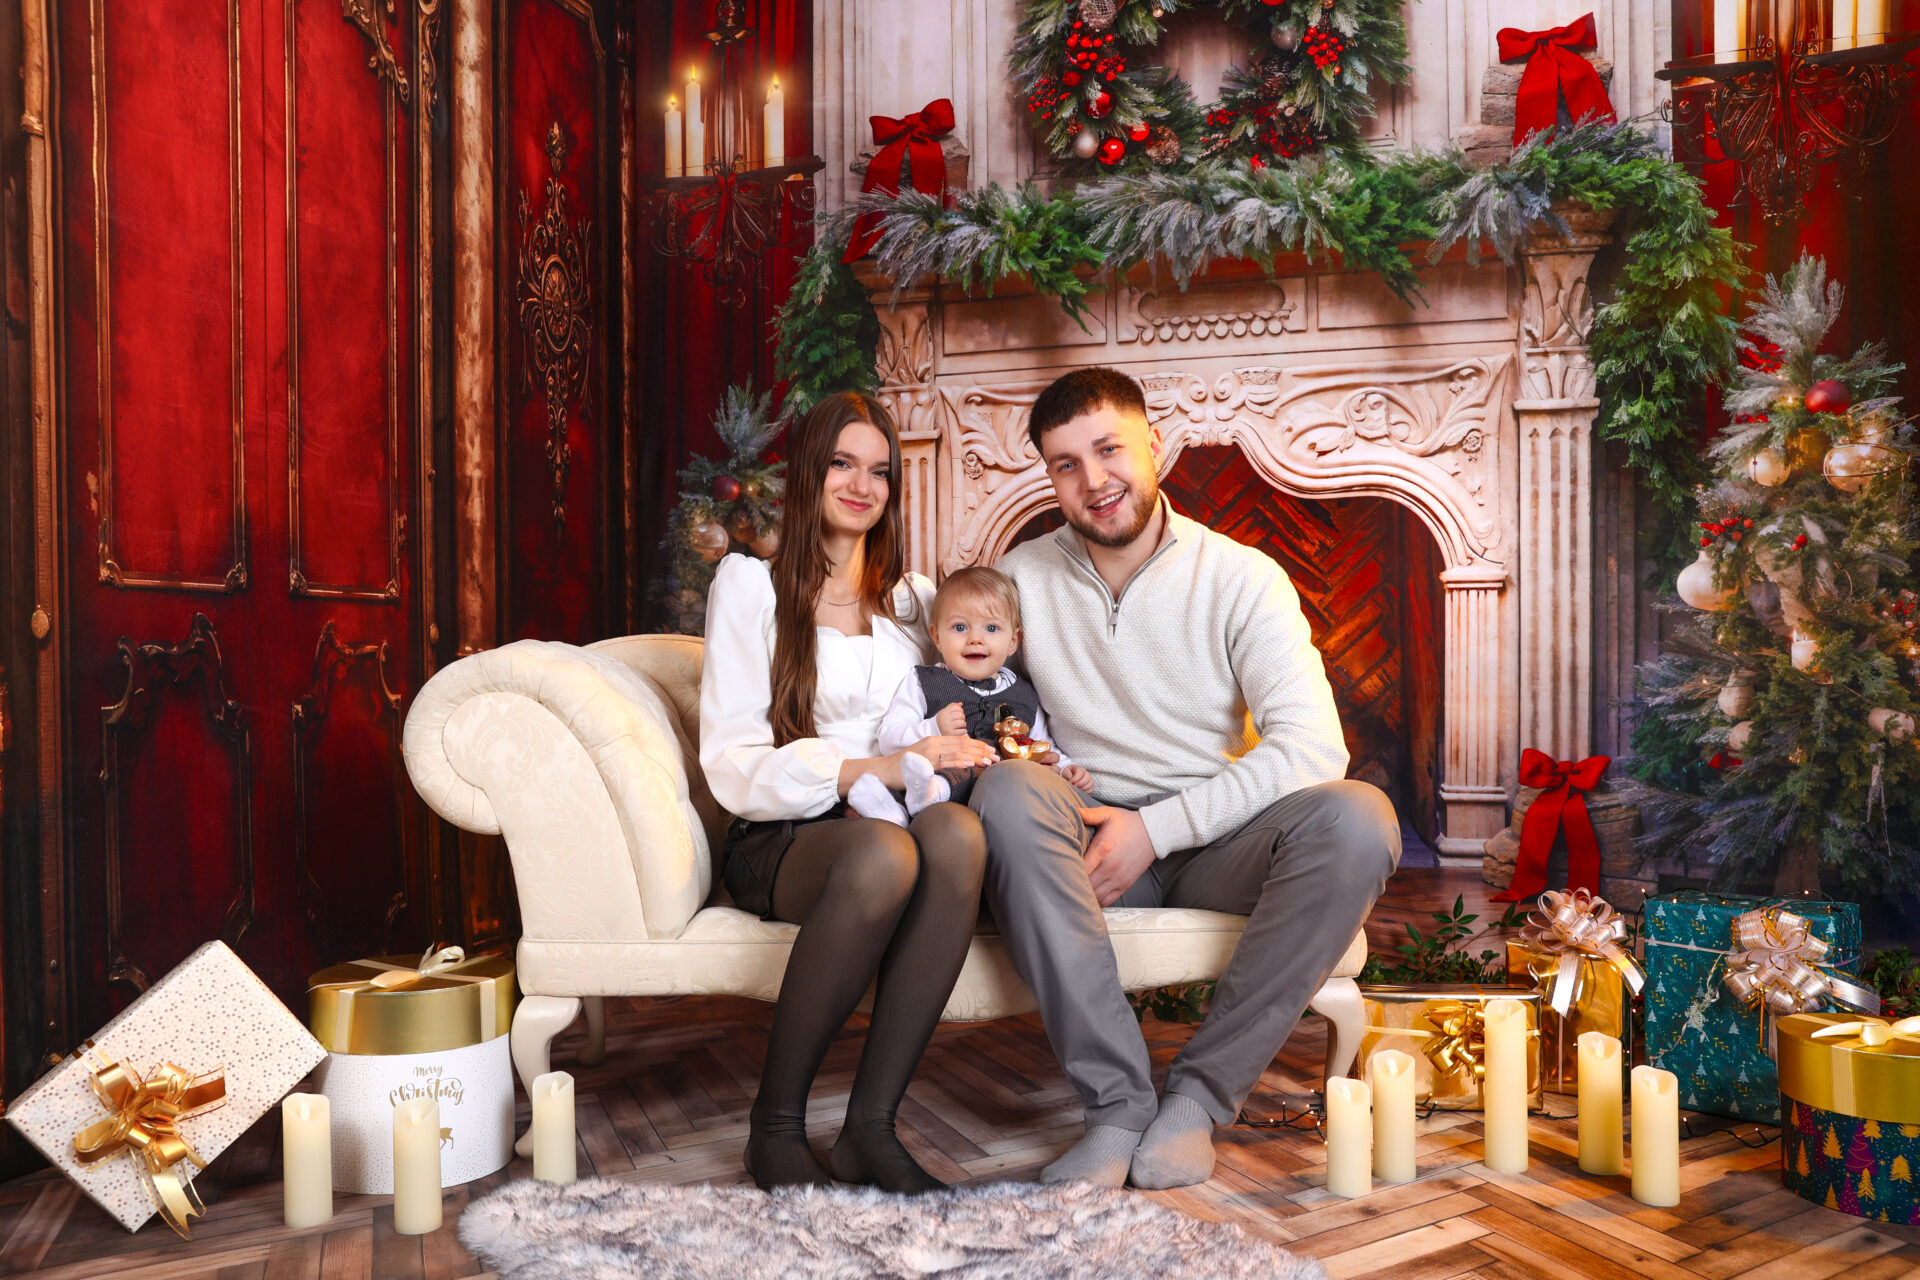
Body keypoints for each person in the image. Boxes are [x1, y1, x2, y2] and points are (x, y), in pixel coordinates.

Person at [971, 366, 1402, 1190]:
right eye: (1066, 464)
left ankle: (1197, 1102)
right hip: (1087, 838)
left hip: (1218, 843)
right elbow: (961, 675)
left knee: (1357, 817)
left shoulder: (1243, 578)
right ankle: (1116, 1106)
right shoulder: (1020, 579)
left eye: (1108, 450)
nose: (1094, 482)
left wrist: (1158, 829)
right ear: (1049, 478)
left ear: (1154, 446)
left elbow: (1313, 747)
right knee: (1005, 793)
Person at [699, 391, 995, 1195]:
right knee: (882, 853)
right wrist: (873, 772)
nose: (861, 485)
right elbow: (730, 761)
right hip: (783, 837)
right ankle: (777, 1128)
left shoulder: (914, 605)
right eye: (841, 464)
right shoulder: (752, 588)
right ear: (809, 471)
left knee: (958, 840)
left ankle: (871, 1129)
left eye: (880, 471)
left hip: (895, 822)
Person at [850, 565, 1094, 825]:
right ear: (937, 636)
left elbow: (1042, 745)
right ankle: (892, 810)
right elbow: (889, 738)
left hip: (997, 800)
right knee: (916, 775)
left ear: (1013, 640)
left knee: (984, 771)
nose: (975, 639)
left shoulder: (1024, 694)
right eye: (959, 627)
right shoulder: (925, 681)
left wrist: (1067, 768)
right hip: (935, 782)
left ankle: (926, 799)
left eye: (991, 629)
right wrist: (933, 727)